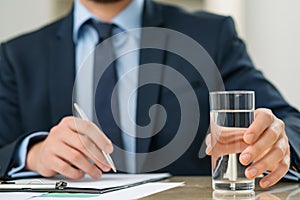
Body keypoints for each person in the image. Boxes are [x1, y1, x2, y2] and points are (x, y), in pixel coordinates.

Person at [0, 0, 299, 189]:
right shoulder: (18, 56)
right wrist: (32, 154)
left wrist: (278, 142)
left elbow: (288, 123)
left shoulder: (211, 36)